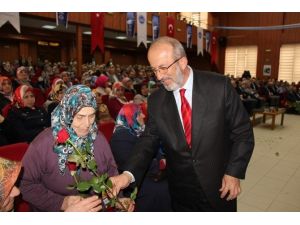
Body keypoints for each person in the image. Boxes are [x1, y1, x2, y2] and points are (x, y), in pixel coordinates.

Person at [109, 36, 255, 212]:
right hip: (181, 193)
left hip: (220, 186)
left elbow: (243, 133)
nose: (159, 76)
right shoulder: (157, 100)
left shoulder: (219, 87)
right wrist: (127, 174)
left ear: (183, 61)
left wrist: (233, 172)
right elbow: (148, 140)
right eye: (154, 70)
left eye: (163, 68)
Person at [19, 85, 132, 212]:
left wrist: (118, 200)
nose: (87, 124)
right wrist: (61, 202)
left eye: (92, 115)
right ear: (67, 113)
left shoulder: (98, 138)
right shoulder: (43, 143)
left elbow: (111, 175)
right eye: (80, 117)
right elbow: (24, 184)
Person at [110, 103, 171, 211]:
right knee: (161, 189)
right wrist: (159, 165)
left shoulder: (139, 130)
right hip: (134, 178)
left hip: (148, 172)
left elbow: (154, 148)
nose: (143, 116)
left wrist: (162, 159)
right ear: (130, 117)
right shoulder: (120, 137)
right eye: (138, 114)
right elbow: (127, 163)